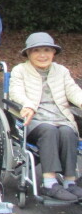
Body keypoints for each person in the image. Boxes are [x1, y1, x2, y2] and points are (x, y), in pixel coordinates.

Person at [8, 32, 82, 202]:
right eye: (36, 50)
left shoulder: (61, 71)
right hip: (34, 120)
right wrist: (27, 105)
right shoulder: (20, 70)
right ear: (28, 53)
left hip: (61, 118)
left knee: (68, 131)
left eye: (47, 50)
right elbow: (16, 92)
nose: (42, 55)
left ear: (53, 53)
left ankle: (70, 182)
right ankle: (49, 183)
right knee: (50, 131)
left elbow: (74, 91)